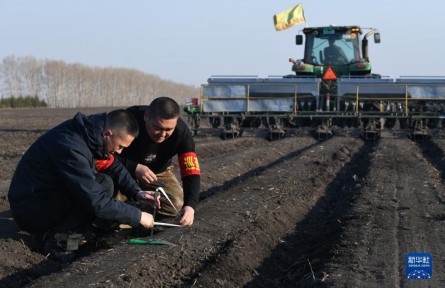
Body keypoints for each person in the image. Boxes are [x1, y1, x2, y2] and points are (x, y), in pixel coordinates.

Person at [8, 109, 160, 262]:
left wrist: (136, 192)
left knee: (104, 181)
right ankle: (60, 242)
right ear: (107, 134)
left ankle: (79, 228)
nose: (119, 152)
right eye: (120, 146)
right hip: (30, 209)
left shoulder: (91, 136)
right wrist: (138, 216)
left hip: (45, 197)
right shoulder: (72, 147)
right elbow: (95, 201)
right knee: (100, 187)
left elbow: (115, 166)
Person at [119, 97, 200, 227]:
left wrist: (190, 206)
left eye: (168, 130)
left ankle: (143, 211)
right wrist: (133, 167)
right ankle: (128, 215)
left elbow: (190, 170)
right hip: (123, 170)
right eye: (158, 127)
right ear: (146, 116)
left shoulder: (182, 133)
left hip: (158, 172)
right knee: (107, 202)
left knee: (177, 204)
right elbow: (104, 156)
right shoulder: (127, 121)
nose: (162, 134)